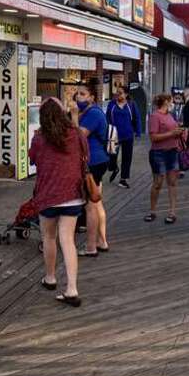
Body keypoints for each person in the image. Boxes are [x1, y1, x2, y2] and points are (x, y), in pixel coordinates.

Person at [29, 98, 83, 307]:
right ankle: (72, 288)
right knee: (67, 240)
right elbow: (84, 152)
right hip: (72, 193)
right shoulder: (75, 134)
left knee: (48, 237)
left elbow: (32, 159)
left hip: (48, 195)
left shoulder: (39, 138)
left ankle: (50, 278)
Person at [70, 81, 110, 256]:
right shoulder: (87, 112)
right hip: (95, 160)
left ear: (92, 97)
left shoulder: (93, 113)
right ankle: (102, 241)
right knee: (97, 201)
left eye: (83, 94)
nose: (78, 97)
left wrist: (73, 115)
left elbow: (79, 136)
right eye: (77, 93)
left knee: (90, 207)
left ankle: (91, 246)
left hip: (93, 162)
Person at [146, 93, 183, 223]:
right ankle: (152, 211)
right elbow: (153, 137)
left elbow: (173, 131)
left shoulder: (170, 115)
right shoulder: (155, 116)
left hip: (172, 151)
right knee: (158, 183)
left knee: (172, 182)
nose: (173, 102)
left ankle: (172, 212)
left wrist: (179, 133)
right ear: (166, 102)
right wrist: (172, 133)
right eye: (171, 100)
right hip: (159, 153)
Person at [106, 85, 142, 189]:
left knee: (127, 158)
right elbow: (107, 118)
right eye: (117, 92)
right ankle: (114, 168)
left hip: (128, 135)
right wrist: (107, 130)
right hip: (114, 134)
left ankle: (123, 179)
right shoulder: (111, 104)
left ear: (126, 94)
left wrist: (138, 132)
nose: (117, 94)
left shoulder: (131, 104)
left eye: (120, 92)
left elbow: (137, 118)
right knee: (111, 156)